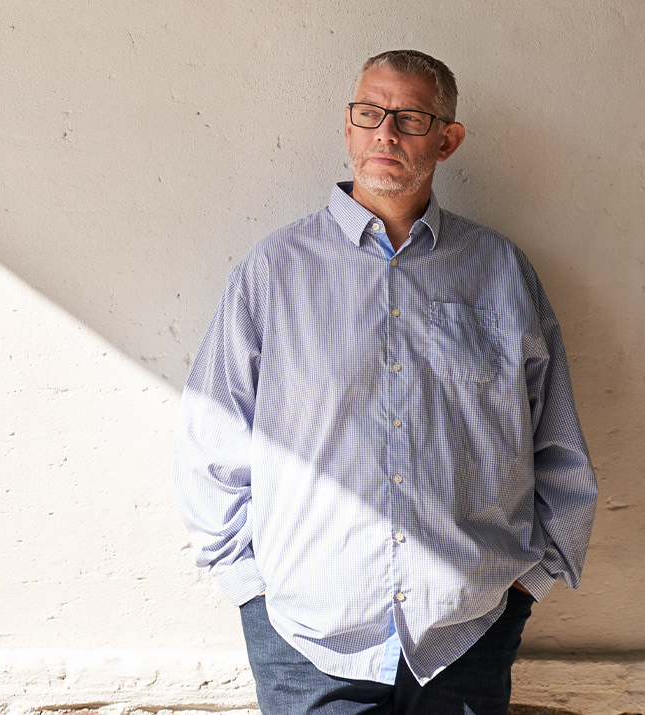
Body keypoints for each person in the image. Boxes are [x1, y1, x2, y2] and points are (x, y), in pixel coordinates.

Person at [172, 50, 597, 715]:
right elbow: (212, 434)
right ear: (348, 125)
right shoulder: (274, 272)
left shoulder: (499, 271)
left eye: (410, 117)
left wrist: (530, 582)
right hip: (306, 641)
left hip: (467, 632)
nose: (385, 134)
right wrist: (250, 589)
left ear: (447, 139)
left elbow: (556, 439)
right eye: (369, 113)